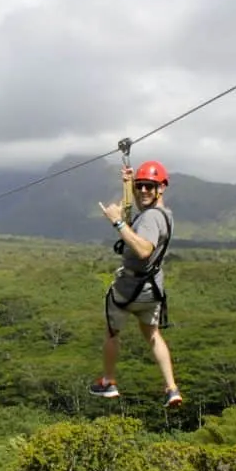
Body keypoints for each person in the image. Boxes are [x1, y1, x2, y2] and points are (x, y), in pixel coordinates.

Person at [89, 160, 182, 408]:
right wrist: (128, 184)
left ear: (161, 188)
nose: (143, 191)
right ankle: (171, 387)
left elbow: (142, 249)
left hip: (130, 288)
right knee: (152, 335)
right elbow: (136, 211)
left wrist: (117, 222)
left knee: (112, 331)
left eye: (149, 187)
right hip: (153, 290)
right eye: (140, 186)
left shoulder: (151, 218)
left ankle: (108, 381)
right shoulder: (165, 214)